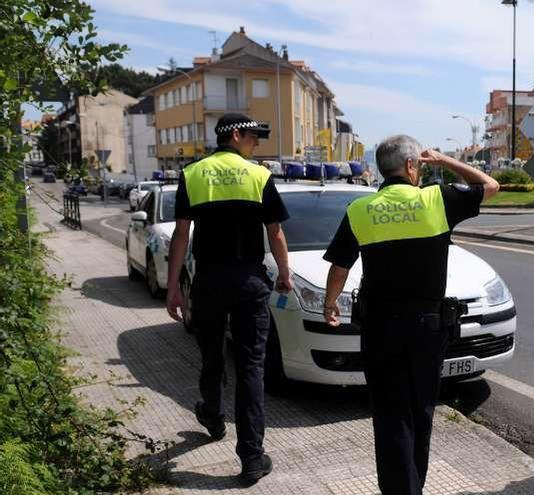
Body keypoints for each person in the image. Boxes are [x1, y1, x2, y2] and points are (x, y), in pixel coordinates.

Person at [322, 135, 499, 494]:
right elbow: (491, 185)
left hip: (380, 328)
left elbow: (340, 266)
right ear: (411, 166)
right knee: (420, 414)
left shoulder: (360, 210)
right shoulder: (436, 200)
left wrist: (330, 303)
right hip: (426, 328)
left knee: (389, 416)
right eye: (418, 163)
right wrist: (445, 160)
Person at [165, 113, 293, 484]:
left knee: (211, 354)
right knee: (251, 367)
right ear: (234, 135)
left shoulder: (193, 174)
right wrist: (284, 274)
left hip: (208, 281)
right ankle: (252, 458)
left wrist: (174, 286)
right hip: (249, 282)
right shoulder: (258, 176)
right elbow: (276, 232)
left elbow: (181, 234)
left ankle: (212, 414)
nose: (256, 144)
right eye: (253, 137)